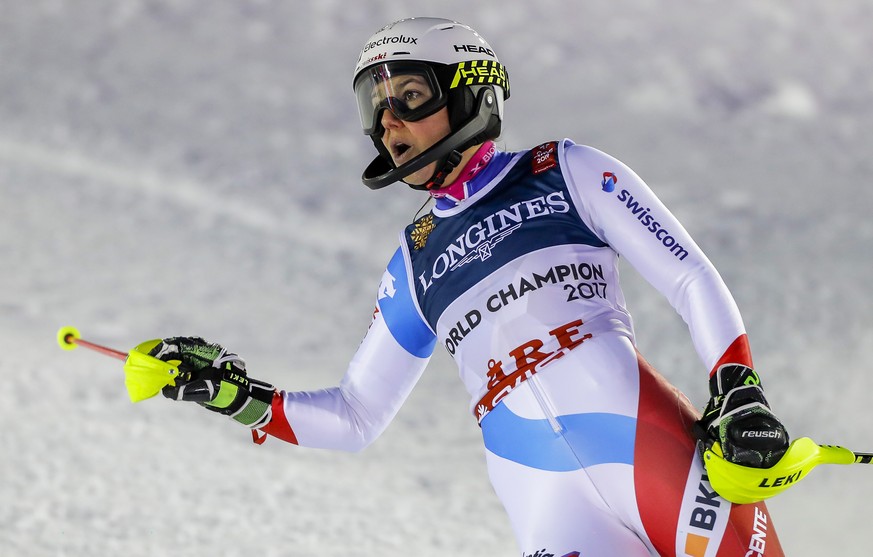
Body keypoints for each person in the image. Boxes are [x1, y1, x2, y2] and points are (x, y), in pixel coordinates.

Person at [145, 17, 791, 556]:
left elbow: (688, 275)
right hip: (546, 501)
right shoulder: (413, 259)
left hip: (650, 449)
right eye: (374, 107)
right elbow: (355, 415)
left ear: (469, 91)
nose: (388, 123)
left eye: (408, 95)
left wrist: (739, 390)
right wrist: (236, 395)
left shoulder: (562, 170)